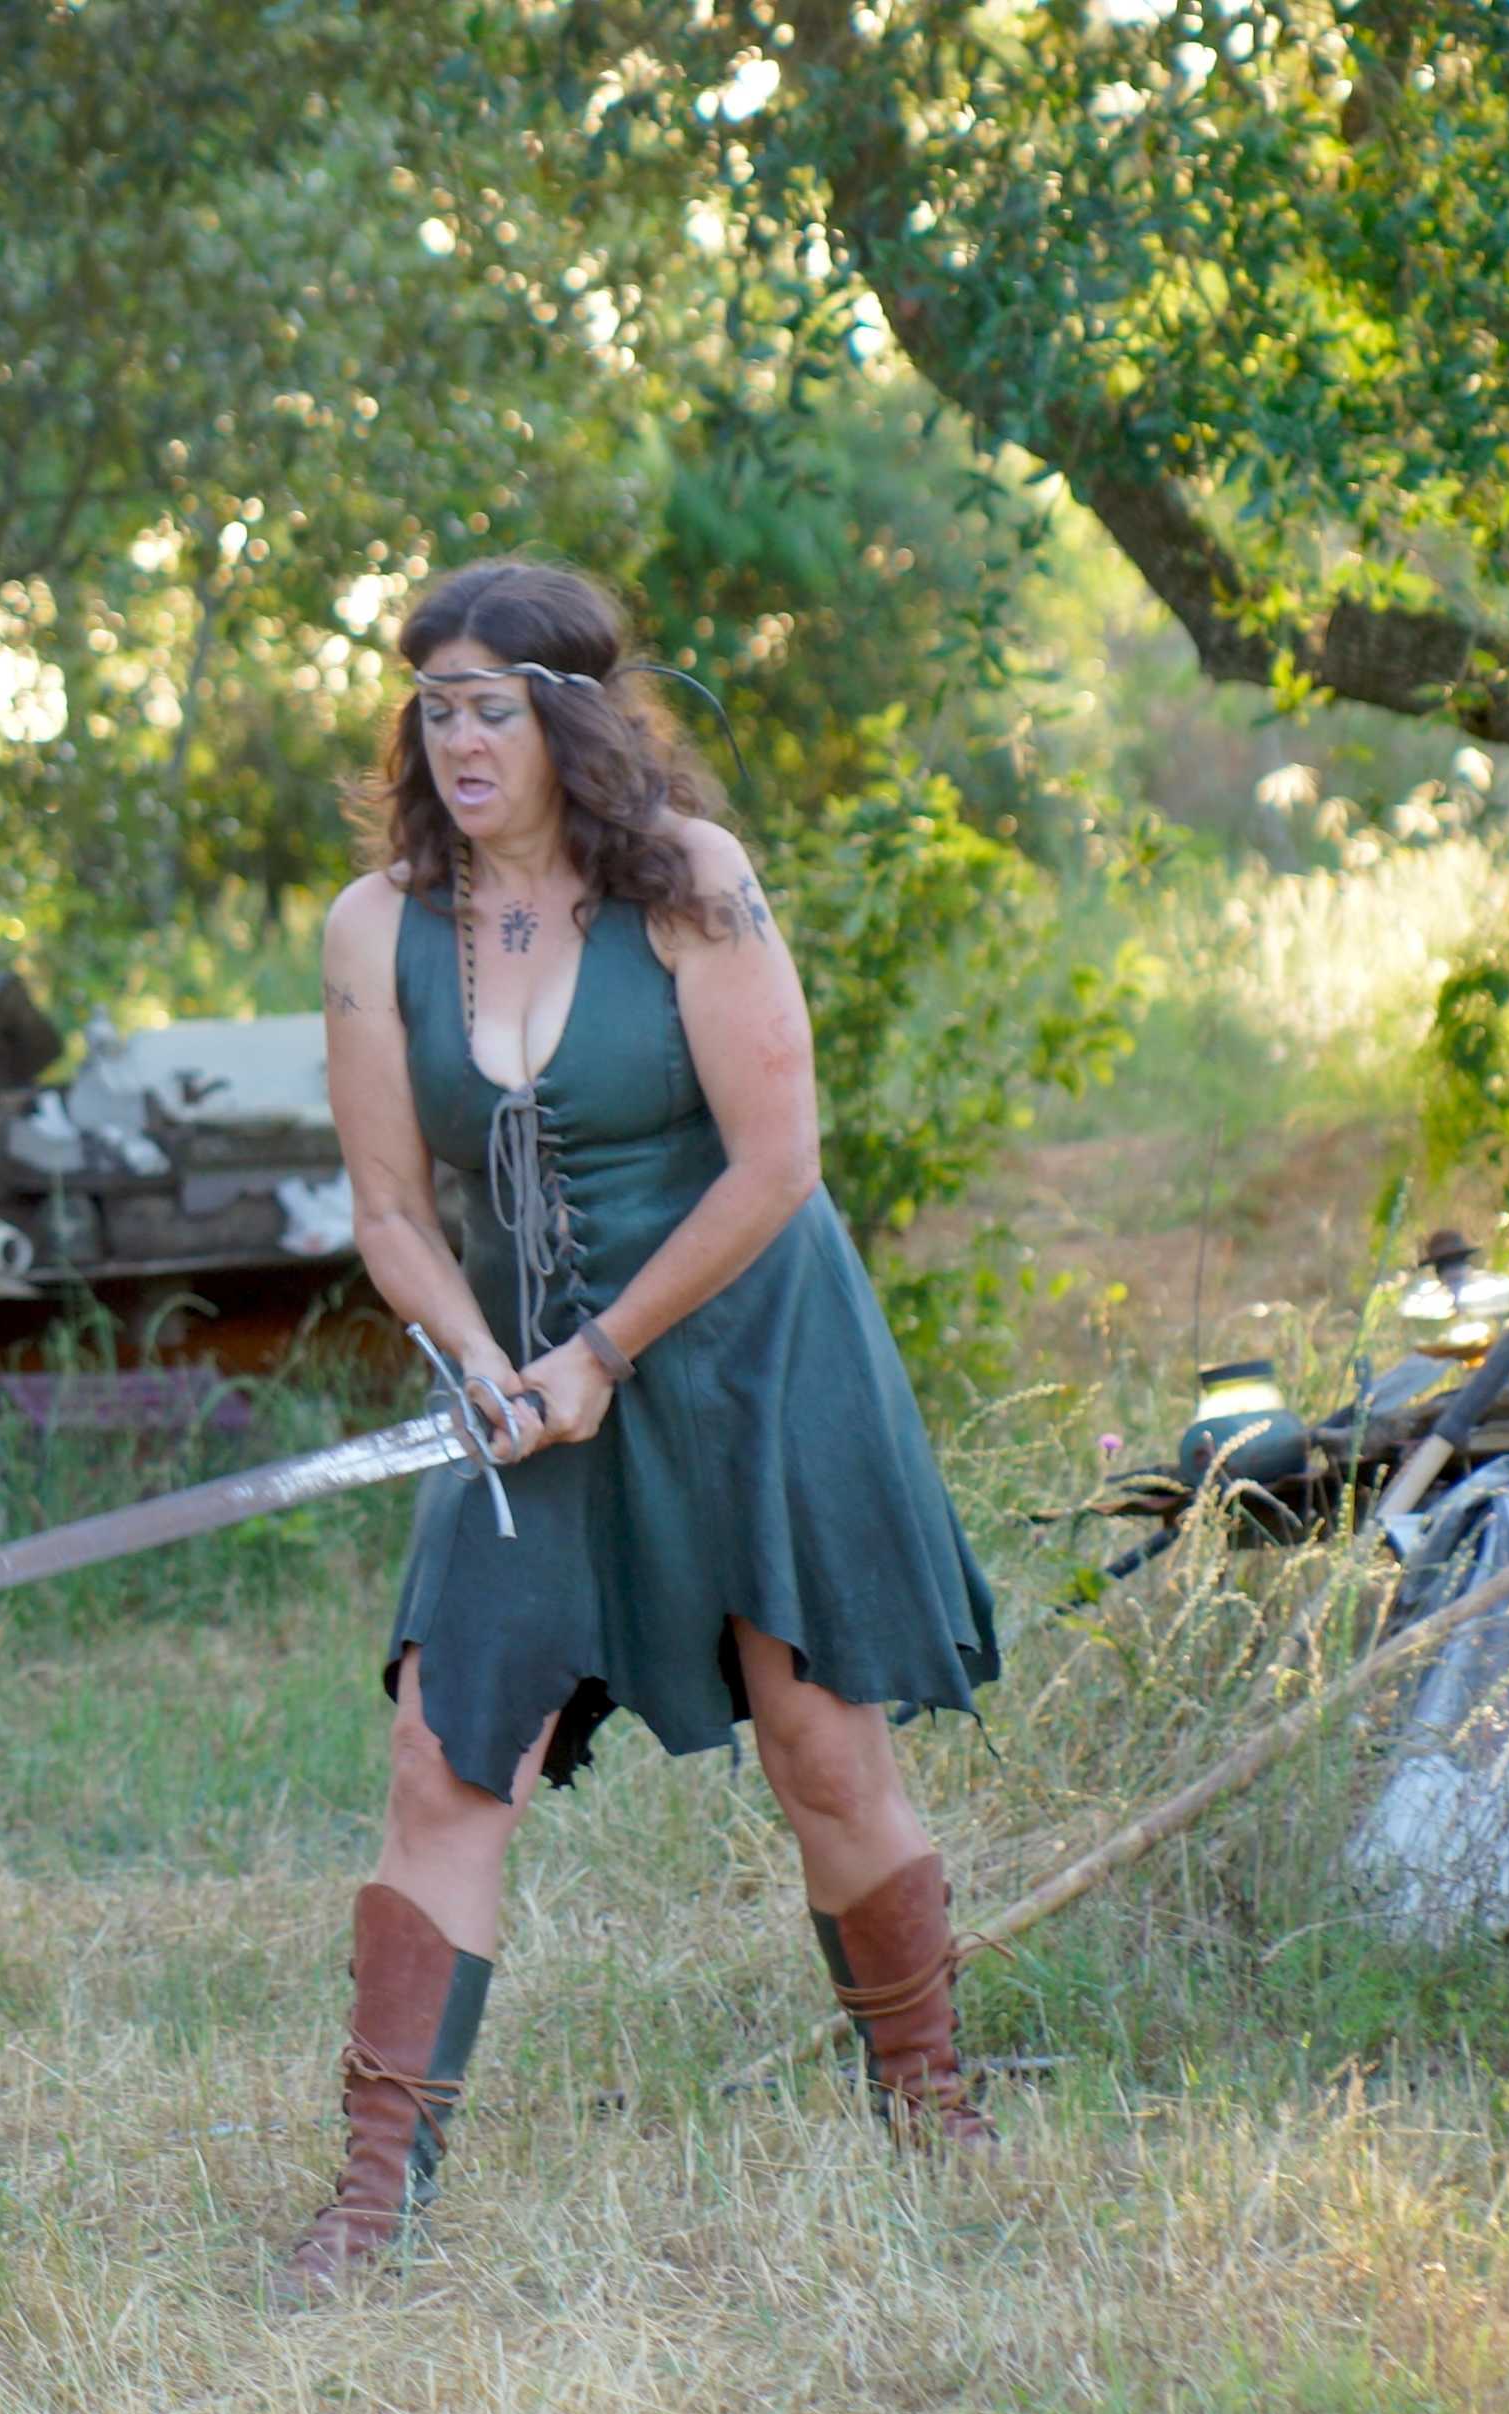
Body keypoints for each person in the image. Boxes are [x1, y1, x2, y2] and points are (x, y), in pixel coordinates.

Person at [280, 559, 1004, 2306]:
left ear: (569, 717)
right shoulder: (376, 926)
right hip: (531, 1386)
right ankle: (375, 2198)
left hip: (750, 1347)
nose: (455, 739)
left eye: (490, 706)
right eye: (431, 706)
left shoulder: (688, 884)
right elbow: (390, 1210)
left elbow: (779, 1165)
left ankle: (933, 2110)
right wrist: (488, 1363)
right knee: (448, 1753)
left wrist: (605, 1346)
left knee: (821, 1747)